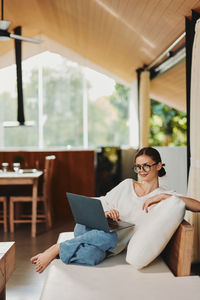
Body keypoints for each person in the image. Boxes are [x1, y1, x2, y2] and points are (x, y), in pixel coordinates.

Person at [31, 147, 200, 273]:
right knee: (99, 232)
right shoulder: (127, 184)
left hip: (110, 243)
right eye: (138, 167)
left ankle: (61, 249)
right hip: (93, 230)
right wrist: (105, 214)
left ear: (158, 165)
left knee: (92, 256)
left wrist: (165, 197)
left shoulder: (166, 196)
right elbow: (104, 201)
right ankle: (55, 249)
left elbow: (197, 206)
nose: (141, 171)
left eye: (146, 166)